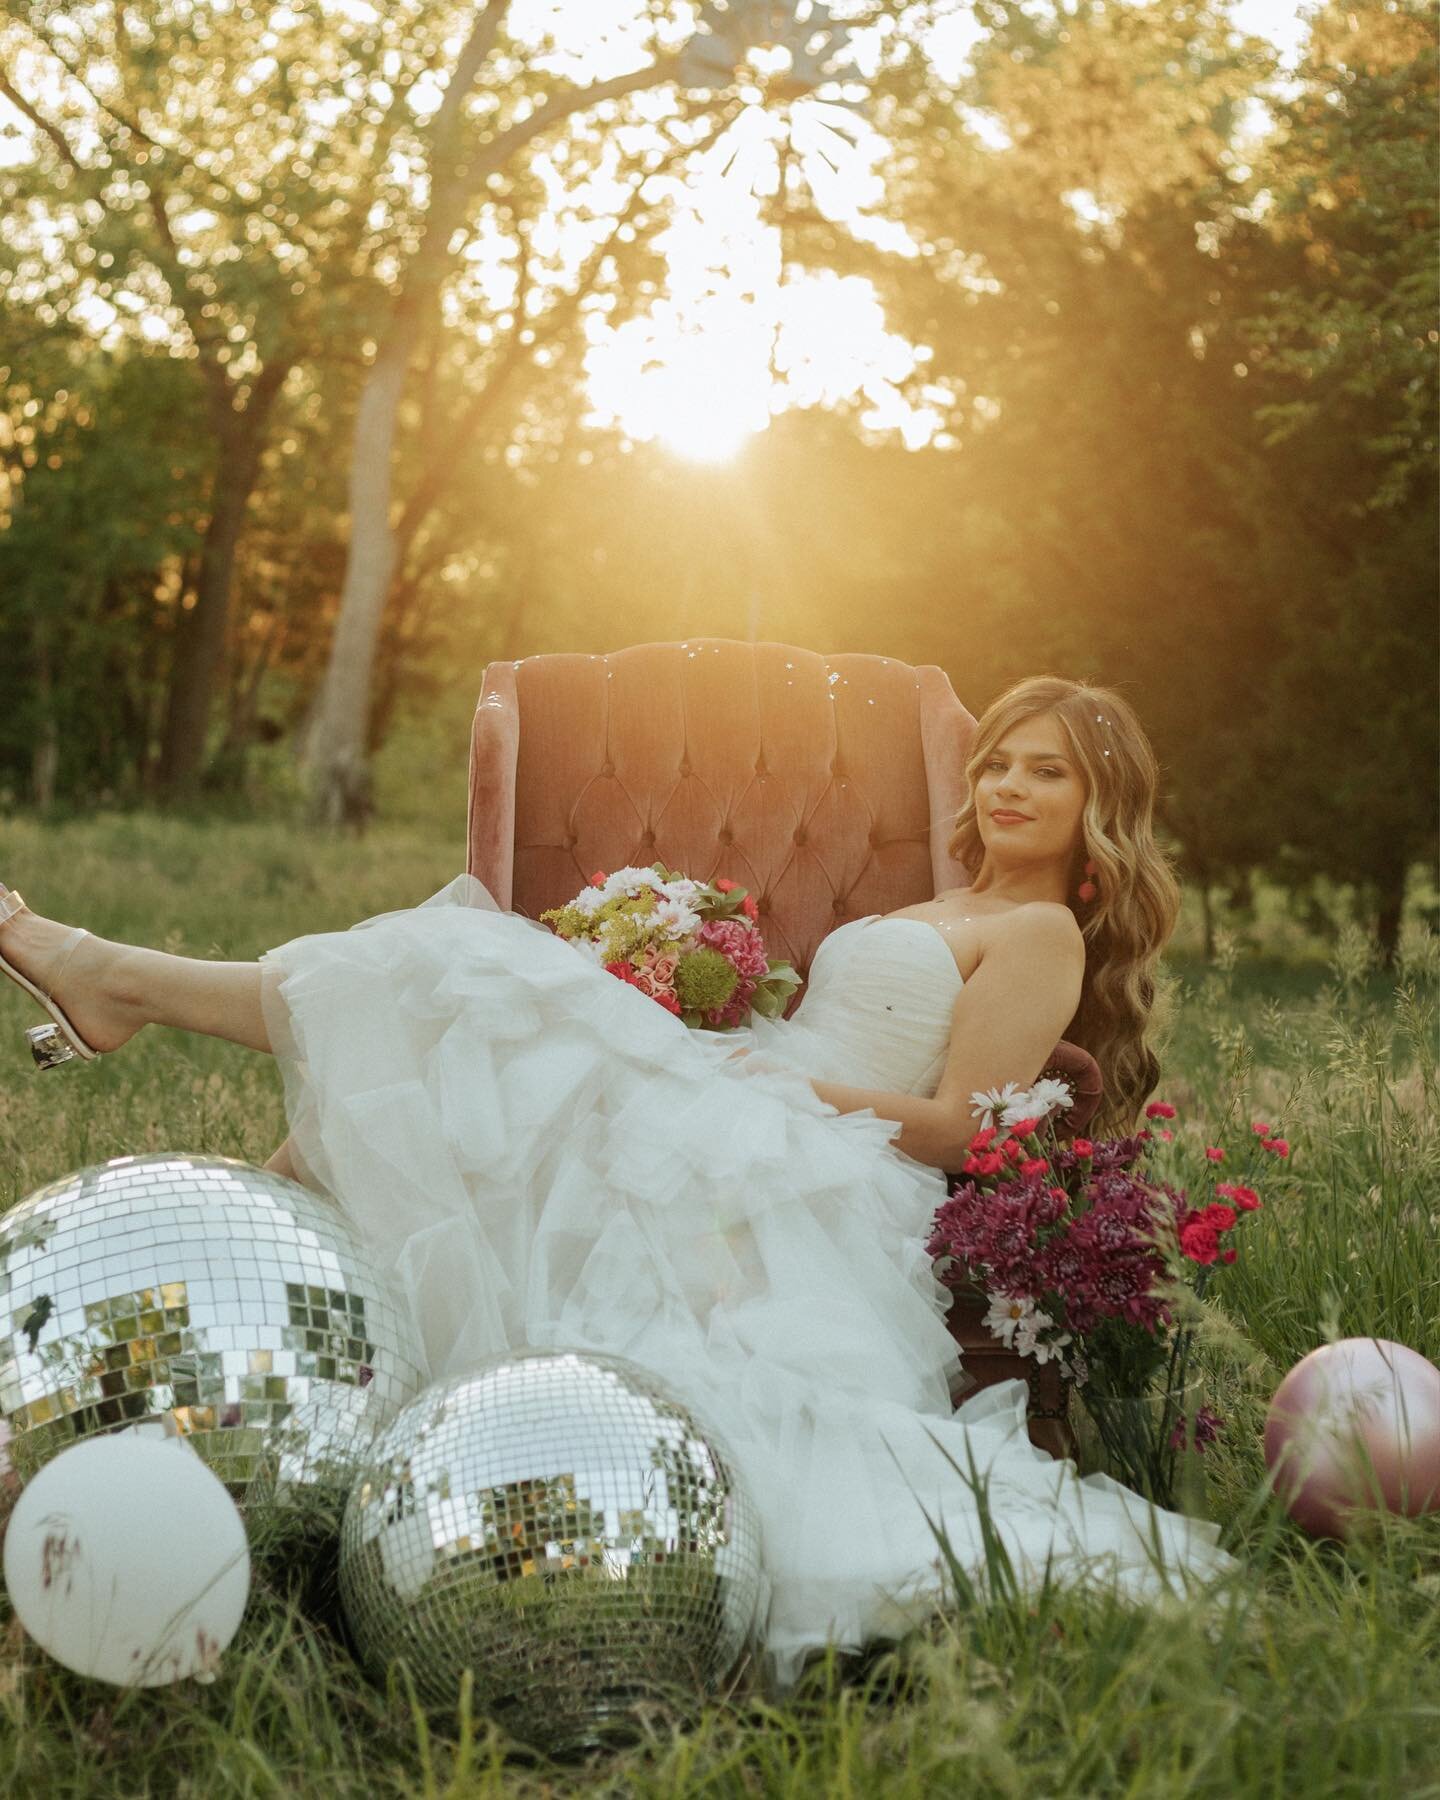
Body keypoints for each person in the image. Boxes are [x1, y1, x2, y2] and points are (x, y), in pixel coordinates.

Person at [0, 675, 1236, 1692]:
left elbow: (968, 1132)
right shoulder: (954, 901)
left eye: (1048, 772)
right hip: (755, 1106)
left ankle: (127, 990)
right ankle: (193, 1114)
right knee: (463, 1005)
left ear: (1099, 807)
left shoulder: (1040, 933)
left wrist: (783, 1087)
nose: (1010, 787)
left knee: (465, 980)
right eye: (1002, 762)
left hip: (815, 1160)